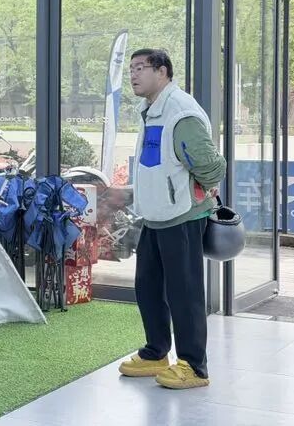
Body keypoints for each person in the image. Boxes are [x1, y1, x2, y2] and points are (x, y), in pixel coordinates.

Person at [118, 49, 226, 390]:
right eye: (131, 68)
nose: (133, 75)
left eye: (141, 68)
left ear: (162, 72)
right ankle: (156, 353)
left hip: (181, 216)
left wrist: (205, 188)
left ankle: (194, 366)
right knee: (148, 287)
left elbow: (210, 165)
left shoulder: (180, 112)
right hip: (155, 216)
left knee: (185, 293)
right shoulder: (152, 110)